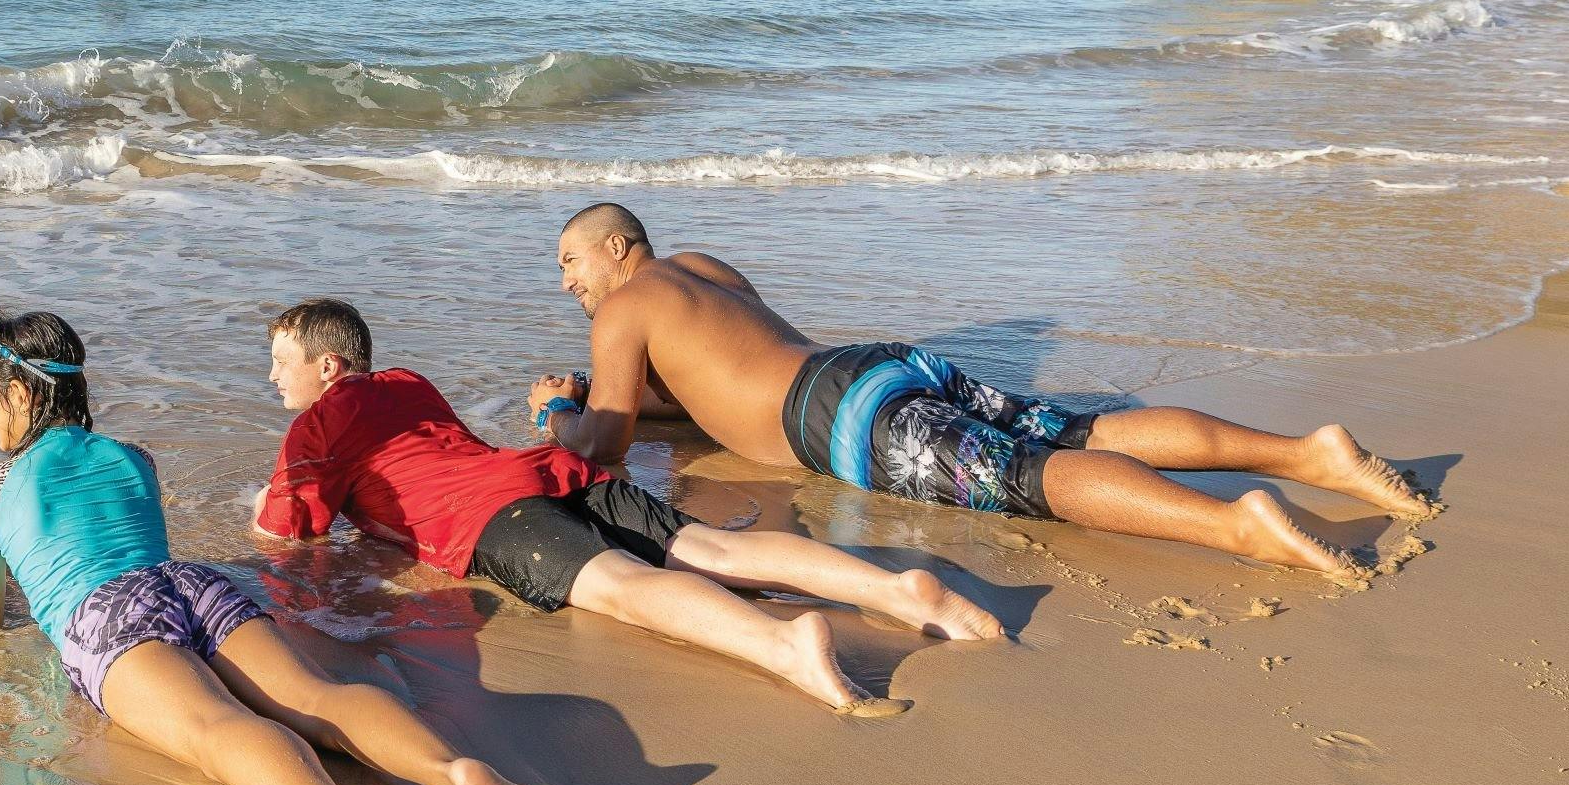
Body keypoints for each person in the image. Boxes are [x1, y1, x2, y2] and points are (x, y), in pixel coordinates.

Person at [0, 311, 579, 785]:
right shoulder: (131, 457)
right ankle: (463, 778)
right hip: (192, 586)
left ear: (23, 392)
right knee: (314, 696)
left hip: (104, 614)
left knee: (216, 725)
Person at [528, 203, 1440, 580]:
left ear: (615, 246)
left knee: (1032, 479)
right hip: (875, 366)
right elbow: (714, 390)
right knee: (1079, 430)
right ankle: (1304, 452)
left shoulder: (624, 309)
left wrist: (556, 412)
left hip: (843, 419)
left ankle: (1234, 523)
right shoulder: (701, 267)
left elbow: (601, 447)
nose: (568, 282)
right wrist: (632, 404)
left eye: (570, 261)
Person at [254, 299, 1001, 717]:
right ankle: (893, 589)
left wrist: (266, 498)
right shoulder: (405, 380)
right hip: (550, 469)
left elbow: (287, 533)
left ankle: (783, 646)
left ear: (327, 365)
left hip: (489, 517)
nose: (271, 376)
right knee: (711, 547)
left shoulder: (315, 424)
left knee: (619, 586)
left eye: (281, 361)